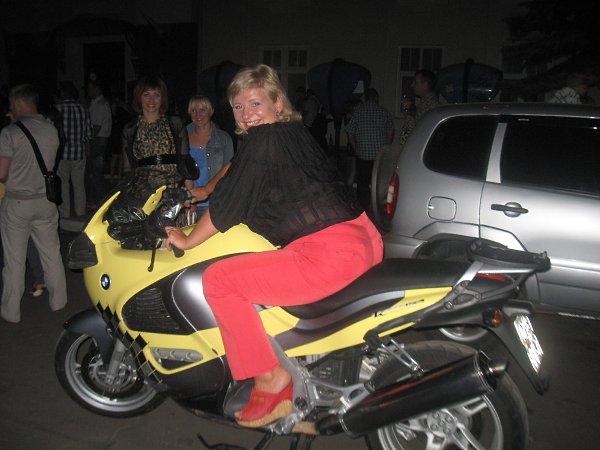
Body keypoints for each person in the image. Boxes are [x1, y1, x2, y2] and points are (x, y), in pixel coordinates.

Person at [165, 64, 383, 428]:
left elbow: (228, 207)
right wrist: (203, 190)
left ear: (277, 103)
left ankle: (270, 377)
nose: (246, 114)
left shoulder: (264, 140)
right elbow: (237, 168)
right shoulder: (289, 132)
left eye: (255, 103)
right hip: (362, 237)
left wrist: (186, 240)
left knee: (220, 281)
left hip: (329, 251)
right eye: (238, 107)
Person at [0, 84, 67, 323]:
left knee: (14, 261)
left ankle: (11, 312)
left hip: (18, 202)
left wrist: (12, 125)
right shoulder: (51, 129)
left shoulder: (9, 133)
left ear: (18, 103)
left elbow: (2, 173)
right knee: (51, 254)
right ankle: (59, 302)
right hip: (45, 201)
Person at [106, 75, 190, 225]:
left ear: (163, 98)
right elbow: (127, 170)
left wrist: (188, 195)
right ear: (139, 97)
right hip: (143, 195)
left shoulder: (174, 123)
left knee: (171, 235)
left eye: (156, 95)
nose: (151, 100)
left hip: (171, 192)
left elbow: (185, 162)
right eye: (146, 95)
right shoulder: (130, 129)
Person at [184, 94, 234, 223]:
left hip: (215, 203)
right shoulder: (182, 136)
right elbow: (181, 171)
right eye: (194, 110)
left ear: (211, 111)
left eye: (202, 110)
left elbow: (229, 173)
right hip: (188, 204)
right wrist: (189, 200)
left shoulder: (224, 138)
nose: (198, 115)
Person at [345, 87, 394, 211]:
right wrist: (386, 147)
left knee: (362, 183)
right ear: (376, 98)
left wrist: (355, 148)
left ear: (366, 98)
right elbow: (390, 131)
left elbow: (349, 132)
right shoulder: (383, 112)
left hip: (363, 155)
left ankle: (363, 207)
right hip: (379, 156)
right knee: (379, 183)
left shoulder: (358, 112)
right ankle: (378, 206)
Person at [55, 81, 92, 219]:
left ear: (62, 93)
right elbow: (89, 133)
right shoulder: (83, 109)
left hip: (61, 153)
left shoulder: (57, 109)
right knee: (79, 183)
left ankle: (64, 213)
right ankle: (80, 211)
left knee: (63, 184)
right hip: (78, 151)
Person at [85, 80, 112, 208]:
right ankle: (97, 199)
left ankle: (100, 200)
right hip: (99, 139)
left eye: (90, 88)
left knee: (95, 172)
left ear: (96, 89)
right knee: (95, 172)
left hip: (98, 140)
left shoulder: (100, 105)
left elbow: (96, 126)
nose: (88, 91)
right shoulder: (96, 103)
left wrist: (88, 140)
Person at [398, 69, 440, 143]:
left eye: (415, 82)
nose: (412, 85)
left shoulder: (432, 105)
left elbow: (416, 130)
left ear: (425, 84)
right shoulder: (423, 103)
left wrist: (407, 110)